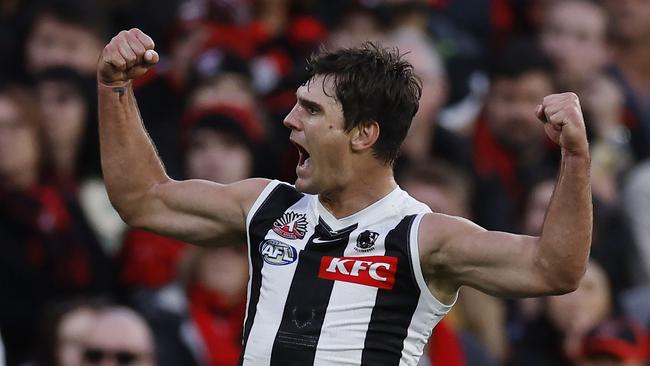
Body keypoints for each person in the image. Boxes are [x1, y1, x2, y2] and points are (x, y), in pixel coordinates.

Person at [97, 29, 592, 365]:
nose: (290, 121)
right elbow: (143, 199)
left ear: (363, 134)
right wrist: (115, 88)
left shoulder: (423, 237)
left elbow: (555, 269)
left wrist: (574, 157)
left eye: (310, 110)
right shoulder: (267, 207)